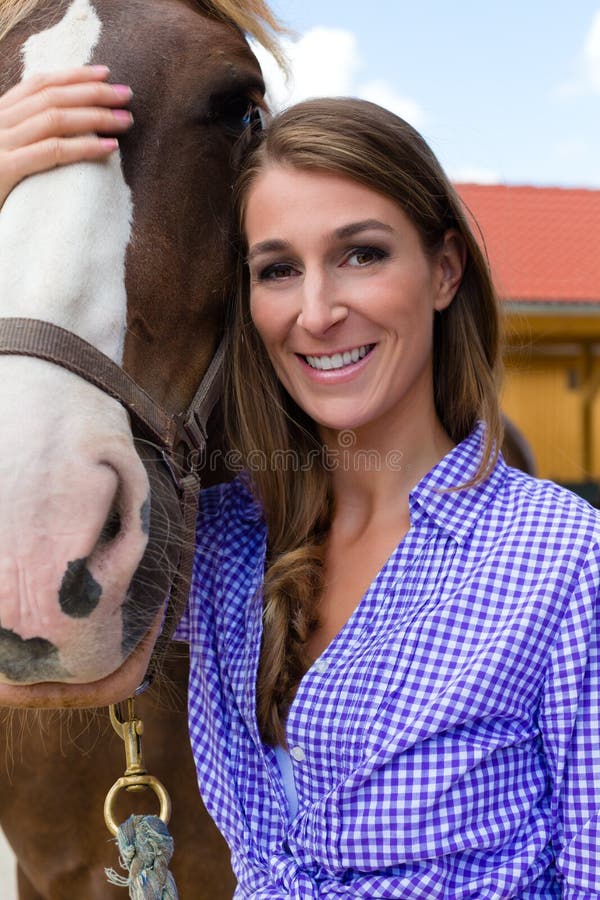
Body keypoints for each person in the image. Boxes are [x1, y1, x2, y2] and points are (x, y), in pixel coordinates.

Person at [1, 70, 600, 899]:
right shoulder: (220, 546)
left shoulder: (565, 562)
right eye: (278, 270)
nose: (317, 312)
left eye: (362, 254)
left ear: (445, 272)